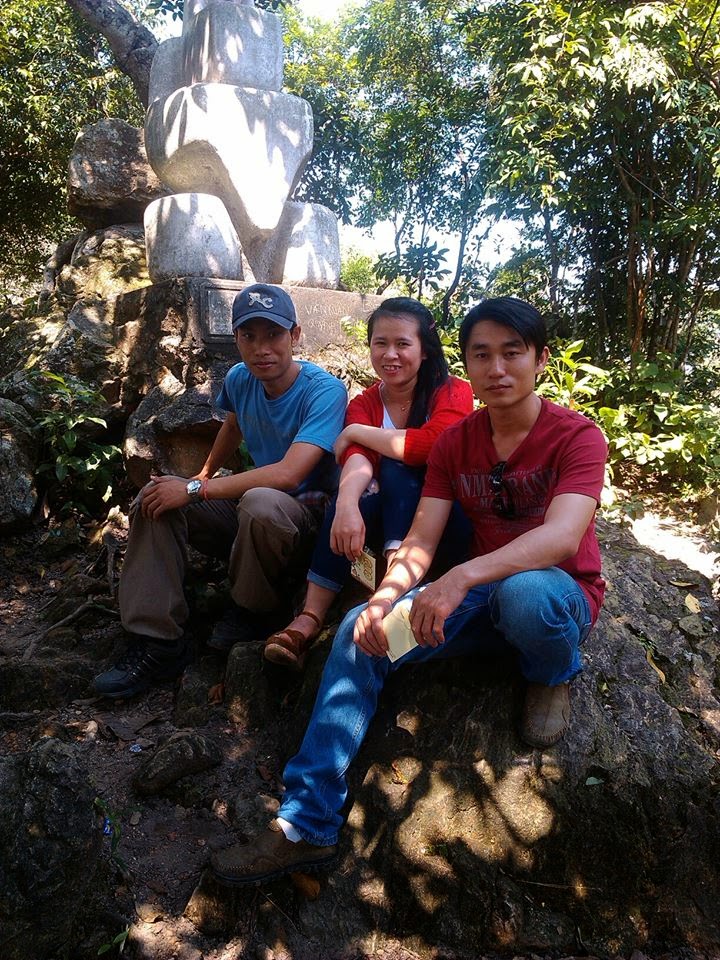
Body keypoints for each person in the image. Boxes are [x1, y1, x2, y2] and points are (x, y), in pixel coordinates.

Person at [209, 296, 608, 886]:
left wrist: (460, 577)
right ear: (466, 363)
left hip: (555, 595)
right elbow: (420, 540)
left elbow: (562, 536)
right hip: (478, 605)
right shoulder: (456, 442)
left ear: (540, 359)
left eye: (512, 353)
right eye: (482, 355)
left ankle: (552, 672)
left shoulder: (576, 436)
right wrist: (383, 599)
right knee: (359, 632)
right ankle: (305, 824)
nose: (497, 369)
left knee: (525, 594)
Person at [94, 283, 347, 699]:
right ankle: (157, 639)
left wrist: (196, 488)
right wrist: (203, 474)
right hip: (251, 514)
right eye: (249, 336)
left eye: (274, 335)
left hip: (305, 526)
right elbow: (234, 424)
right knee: (155, 497)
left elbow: (289, 475)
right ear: (237, 339)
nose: (261, 348)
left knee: (261, 502)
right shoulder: (240, 378)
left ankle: (249, 610)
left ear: (295, 336)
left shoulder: (324, 391)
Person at [263, 296, 474, 671]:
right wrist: (345, 505)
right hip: (384, 522)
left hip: (444, 525)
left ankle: (392, 592)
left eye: (403, 344)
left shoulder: (452, 391)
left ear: (424, 349)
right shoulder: (364, 403)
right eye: (381, 343)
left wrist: (358, 432)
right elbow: (357, 458)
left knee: (396, 468)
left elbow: (433, 446)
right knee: (360, 491)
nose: (390, 354)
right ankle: (309, 618)